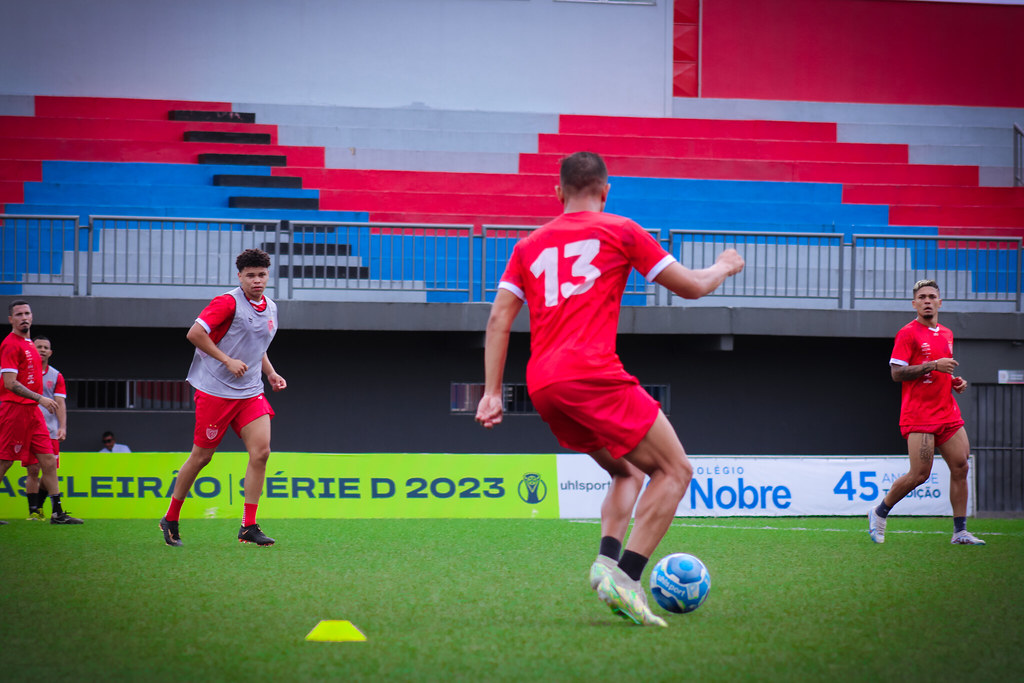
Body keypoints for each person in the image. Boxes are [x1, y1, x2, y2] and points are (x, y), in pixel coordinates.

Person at [475, 152, 744, 627]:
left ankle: (605, 561)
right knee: (676, 471)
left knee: (628, 473)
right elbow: (692, 288)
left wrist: (492, 391)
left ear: (557, 193)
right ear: (606, 189)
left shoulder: (528, 245)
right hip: (592, 374)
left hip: (544, 386)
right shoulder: (620, 230)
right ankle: (627, 578)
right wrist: (723, 265)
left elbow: (499, 317)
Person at [159, 248, 287, 547]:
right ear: (239, 277)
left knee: (261, 452)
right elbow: (194, 334)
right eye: (251, 275)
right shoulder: (227, 302)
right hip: (215, 391)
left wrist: (270, 373)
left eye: (262, 275)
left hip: (250, 391)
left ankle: (248, 525)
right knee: (202, 457)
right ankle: (171, 517)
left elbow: (256, 345)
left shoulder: (270, 307)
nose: (257, 280)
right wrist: (227, 360)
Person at [869, 279, 985, 545]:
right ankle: (879, 512)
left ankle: (960, 532)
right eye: (922, 297)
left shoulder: (946, 333)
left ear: (940, 302)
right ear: (914, 303)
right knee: (919, 474)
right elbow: (896, 374)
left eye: (932, 296)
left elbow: (941, 371)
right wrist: (934, 365)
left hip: (947, 412)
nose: (927, 300)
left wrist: (954, 381)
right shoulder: (907, 333)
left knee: (961, 465)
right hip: (920, 415)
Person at [0, 300, 82, 524]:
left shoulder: (29, 345)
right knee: (4, 461)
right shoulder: (10, 344)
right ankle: (37, 510)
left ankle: (57, 512)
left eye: (27, 313)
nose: (24, 317)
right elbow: (9, 383)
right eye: (18, 314)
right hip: (15, 410)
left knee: (47, 459)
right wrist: (40, 398)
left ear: (32, 316)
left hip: (33, 412)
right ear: (11, 320)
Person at [22, 335, 67, 520]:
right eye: (38, 346)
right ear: (31, 349)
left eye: (45, 347)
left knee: (50, 470)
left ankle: (41, 506)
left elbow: (60, 403)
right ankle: (34, 511)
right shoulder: (22, 373)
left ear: (50, 352)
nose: (41, 349)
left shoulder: (56, 375)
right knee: (32, 470)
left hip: (49, 430)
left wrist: (62, 426)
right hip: (27, 428)